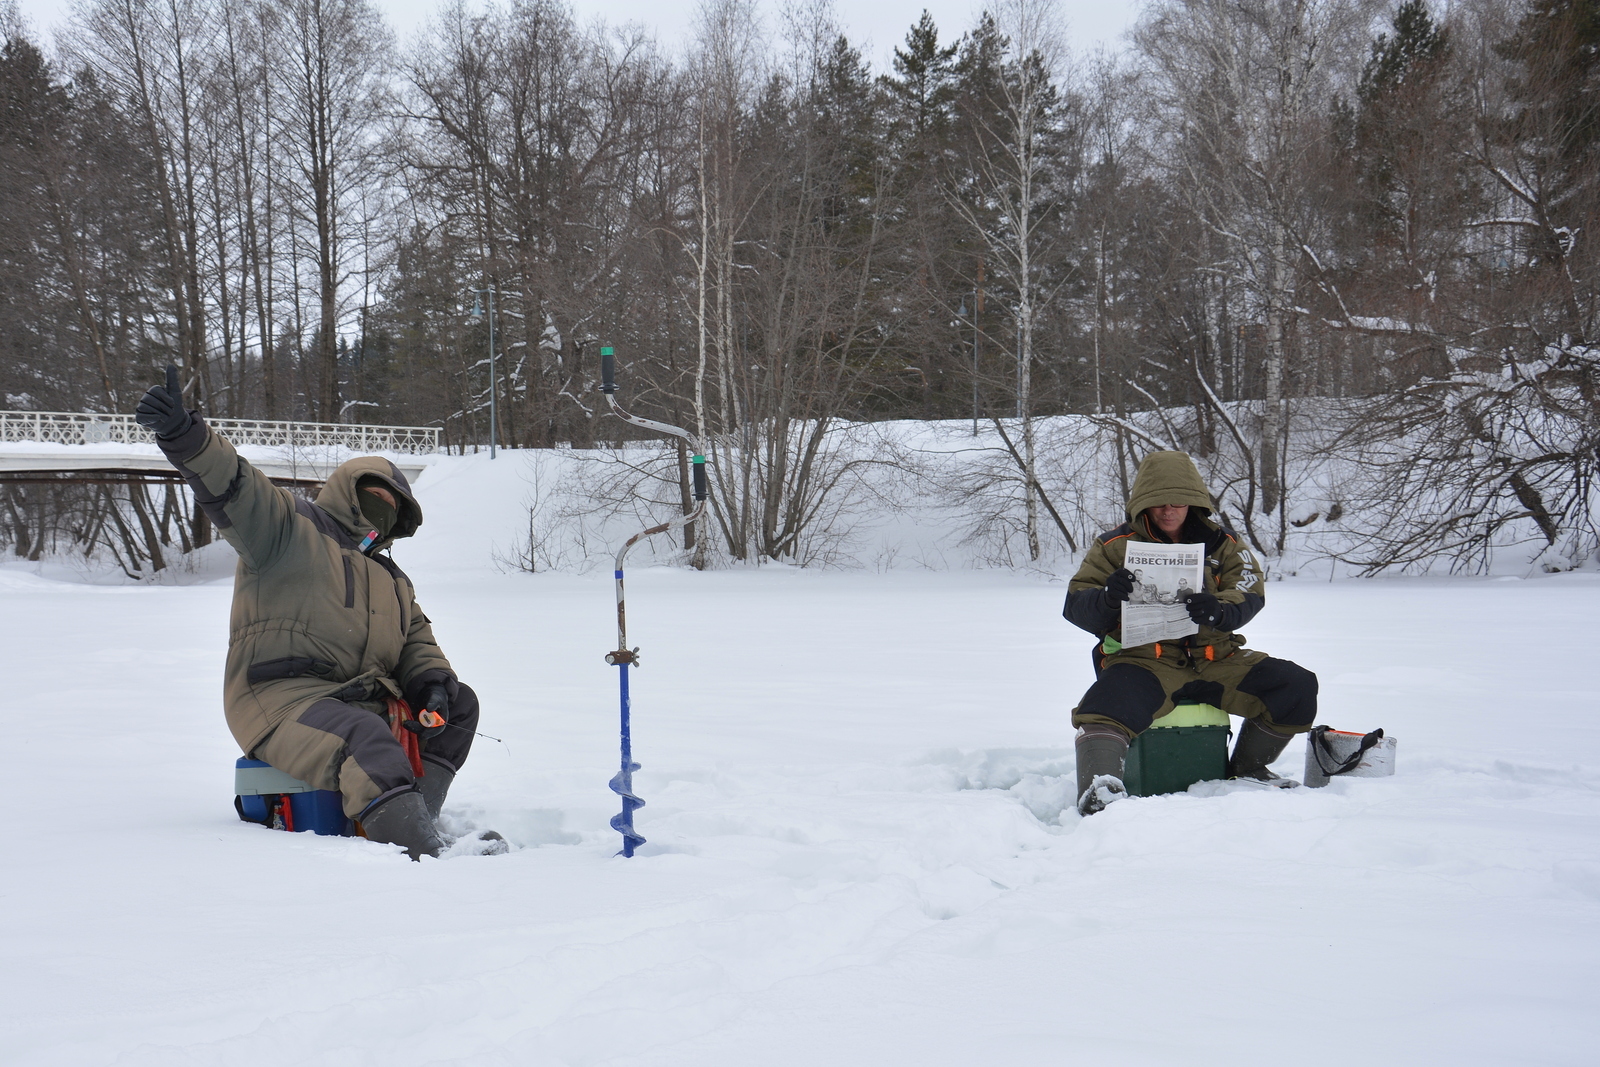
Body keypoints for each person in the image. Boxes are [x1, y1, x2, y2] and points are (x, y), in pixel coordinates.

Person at [135, 368, 492, 859]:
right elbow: (236, 485)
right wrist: (185, 434)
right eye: (374, 496)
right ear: (348, 490)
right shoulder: (287, 529)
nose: (382, 510)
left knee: (459, 706)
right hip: (279, 700)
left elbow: (417, 641)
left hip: (357, 701)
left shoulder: (391, 578)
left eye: (392, 506)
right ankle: (419, 853)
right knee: (364, 737)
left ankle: (420, 822)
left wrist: (432, 685)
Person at [1063, 451, 1318, 815]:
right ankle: (1100, 788)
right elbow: (1075, 603)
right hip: (1144, 661)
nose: (1169, 511)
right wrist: (1107, 598)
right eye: (1159, 503)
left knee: (1295, 685)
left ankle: (1249, 770)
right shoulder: (1113, 546)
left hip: (1219, 659)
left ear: (1194, 503)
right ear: (1142, 504)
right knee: (1104, 705)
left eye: (1178, 503)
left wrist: (1219, 610)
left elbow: (1249, 589)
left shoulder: (1225, 544)